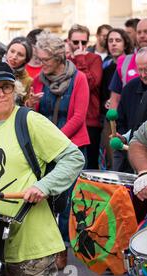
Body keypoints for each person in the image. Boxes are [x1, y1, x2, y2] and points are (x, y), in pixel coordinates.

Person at [0, 62, 84, 276]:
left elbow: (74, 157)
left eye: (6, 87)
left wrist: (43, 186)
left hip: (32, 241)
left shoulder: (30, 121)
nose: (1, 93)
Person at [26, 31, 90, 269]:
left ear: (59, 57)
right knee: (46, 199)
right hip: (44, 148)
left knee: (67, 199)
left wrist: (54, 141)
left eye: (45, 60)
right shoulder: (39, 80)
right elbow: (33, 115)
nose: (41, 65)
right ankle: (46, 245)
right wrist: (29, 105)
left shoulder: (78, 78)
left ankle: (63, 245)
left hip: (70, 146)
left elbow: (78, 117)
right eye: (40, 59)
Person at [67, 24, 103, 170]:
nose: (80, 46)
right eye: (76, 42)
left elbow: (92, 83)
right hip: (69, 118)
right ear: (69, 41)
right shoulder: (66, 60)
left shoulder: (95, 58)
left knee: (90, 164)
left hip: (90, 119)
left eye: (84, 42)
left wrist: (81, 59)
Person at [99, 29, 134, 170]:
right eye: (110, 41)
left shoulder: (133, 62)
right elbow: (102, 95)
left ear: (125, 43)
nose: (113, 44)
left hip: (129, 119)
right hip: (111, 120)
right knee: (113, 161)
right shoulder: (106, 67)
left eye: (118, 40)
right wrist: (106, 103)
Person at [114, 48, 147, 173]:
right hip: (131, 153)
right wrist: (123, 137)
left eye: (146, 70)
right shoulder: (130, 88)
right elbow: (122, 121)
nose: (143, 74)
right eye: (140, 70)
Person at [4, 37, 33, 104]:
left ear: (26, 60)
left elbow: (25, 107)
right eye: (12, 51)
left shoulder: (28, 81)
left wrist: (29, 104)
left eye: (20, 55)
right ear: (7, 51)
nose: (14, 57)